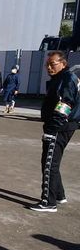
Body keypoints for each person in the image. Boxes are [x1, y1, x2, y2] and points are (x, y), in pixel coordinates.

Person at [29, 51, 80, 212]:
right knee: (52, 162)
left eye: (53, 64)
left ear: (63, 63)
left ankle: (48, 202)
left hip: (60, 126)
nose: (49, 67)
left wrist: (52, 128)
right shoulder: (59, 78)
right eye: (47, 65)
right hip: (60, 125)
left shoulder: (67, 78)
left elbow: (65, 103)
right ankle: (59, 195)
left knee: (49, 163)